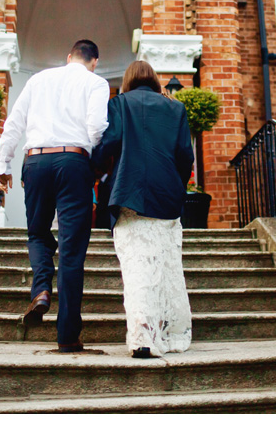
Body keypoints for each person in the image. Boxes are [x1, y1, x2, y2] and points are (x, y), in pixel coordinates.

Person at [0, 39, 109, 353]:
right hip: (74, 162)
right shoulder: (97, 83)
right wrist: (94, 165)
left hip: (35, 161)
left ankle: (42, 288)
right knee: (72, 252)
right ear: (94, 61)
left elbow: (14, 123)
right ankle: (67, 335)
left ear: (68, 56)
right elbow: (98, 128)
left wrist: (3, 163)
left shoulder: (38, 79)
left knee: (37, 233)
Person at [92, 60, 194, 359]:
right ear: (154, 80)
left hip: (131, 193)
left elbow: (108, 144)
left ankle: (142, 338)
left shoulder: (120, 103)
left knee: (136, 266)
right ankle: (169, 332)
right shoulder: (176, 108)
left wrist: (94, 170)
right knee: (166, 266)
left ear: (127, 81)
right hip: (167, 194)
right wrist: (178, 184)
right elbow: (185, 156)